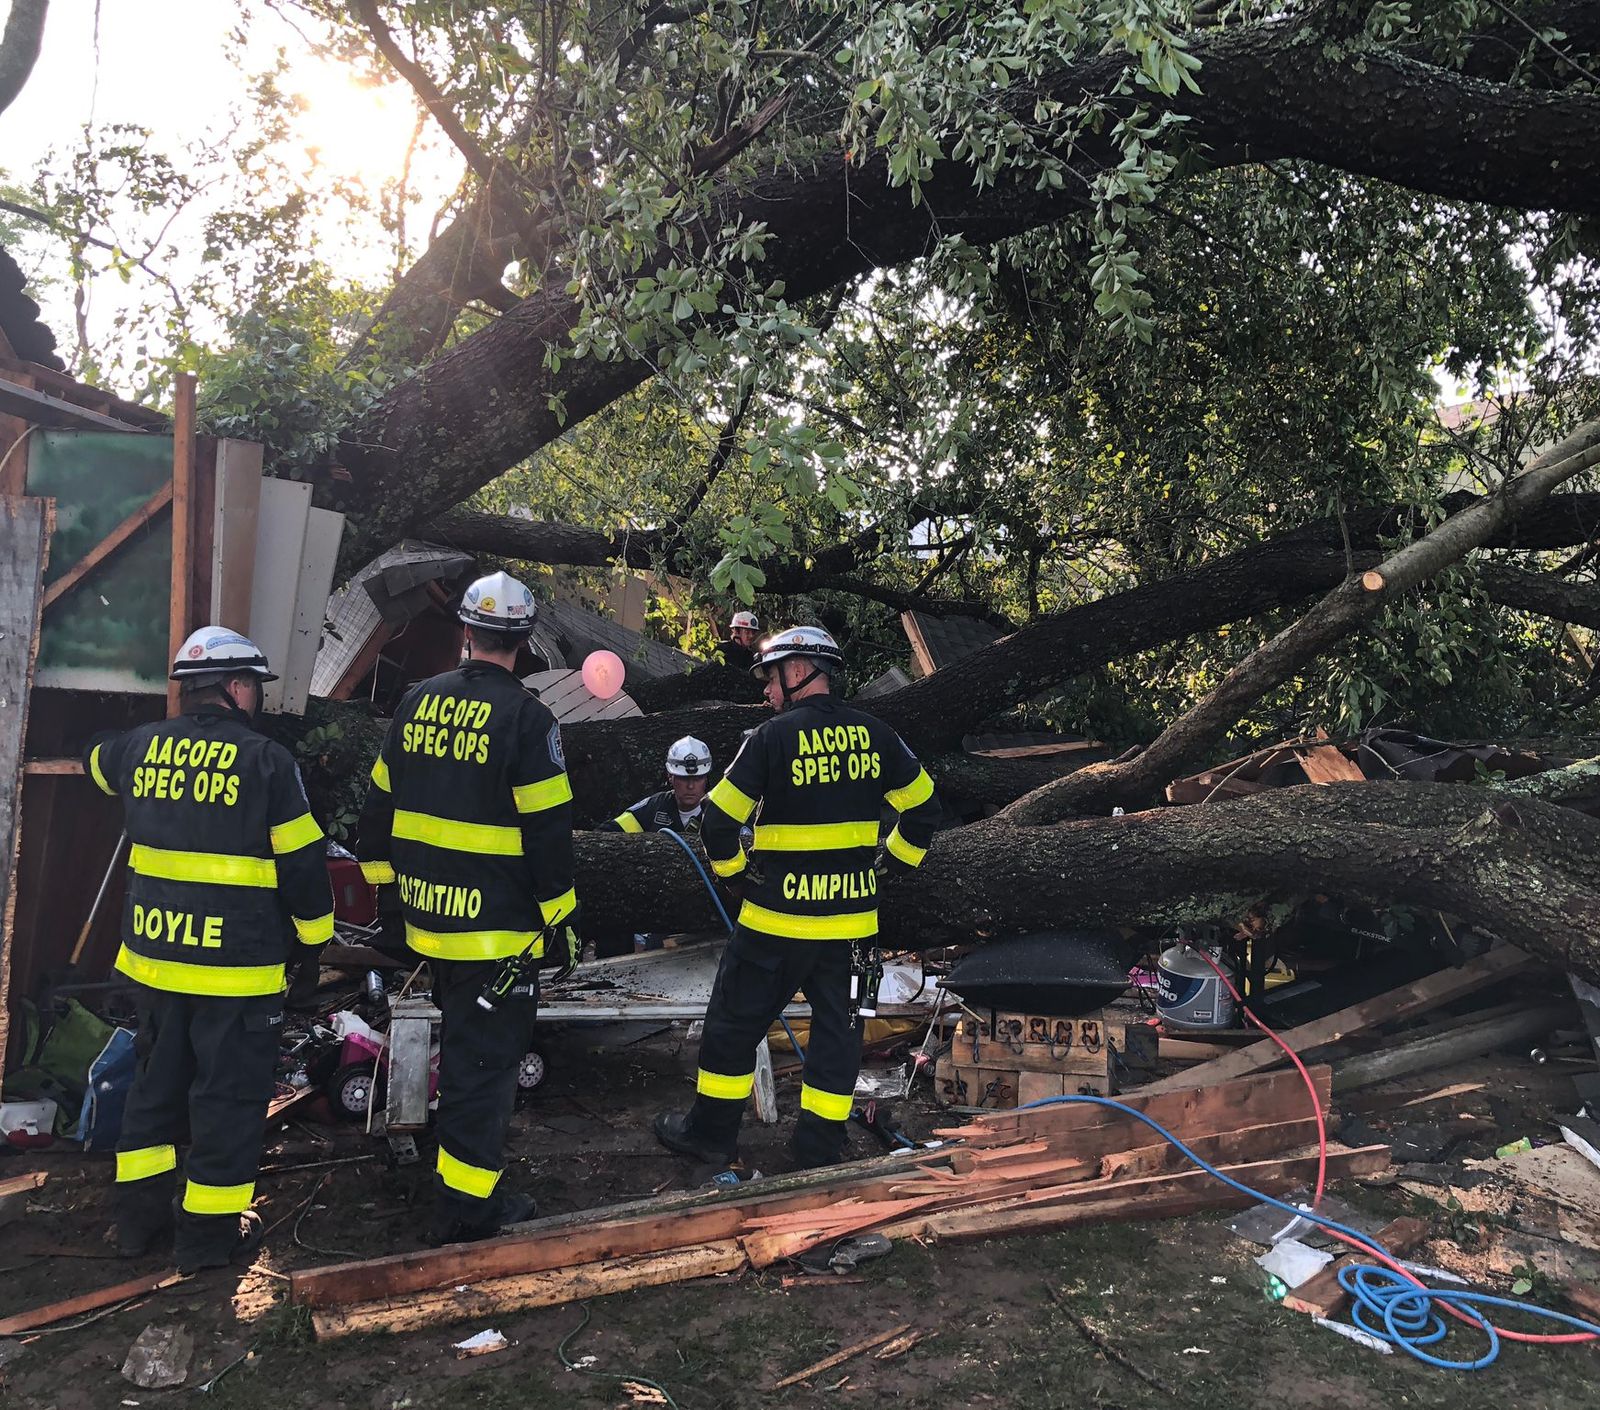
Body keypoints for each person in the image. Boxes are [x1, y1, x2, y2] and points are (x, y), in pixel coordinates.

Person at [85, 628, 335, 1272]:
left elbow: (96, 762)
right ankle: (206, 1237)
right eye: (254, 685)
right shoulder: (267, 761)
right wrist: (314, 943)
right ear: (236, 686)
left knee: (154, 1090)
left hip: (155, 962)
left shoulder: (139, 748)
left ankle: (136, 1223)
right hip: (236, 971)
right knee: (227, 1102)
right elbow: (303, 865)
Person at [655, 625, 941, 1168]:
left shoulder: (772, 738)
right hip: (852, 933)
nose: (767, 691)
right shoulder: (877, 735)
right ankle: (819, 1149)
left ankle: (710, 1135)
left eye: (771, 677)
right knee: (839, 1040)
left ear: (798, 670)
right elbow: (925, 808)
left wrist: (737, 879)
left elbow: (717, 821)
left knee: (732, 1028)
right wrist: (889, 868)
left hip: (773, 927)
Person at [355, 571, 578, 1244]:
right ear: (524, 640)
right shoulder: (530, 720)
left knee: (463, 1058)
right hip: (496, 940)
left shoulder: (416, 702)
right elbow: (548, 836)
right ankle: (470, 1210)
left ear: (467, 630)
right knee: (483, 1075)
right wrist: (560, 921)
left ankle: (458, 1185)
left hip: (429, 927)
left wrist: (391, 904)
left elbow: (376, 815)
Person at [598, 736, 713, 951]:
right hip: (659, 909)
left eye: (697, 778)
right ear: (670, 776)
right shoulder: (655, 807)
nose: (690, 786)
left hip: (705, 908)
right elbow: (608, 835)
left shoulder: (719, 812)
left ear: (706, 778)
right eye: (683, 778)